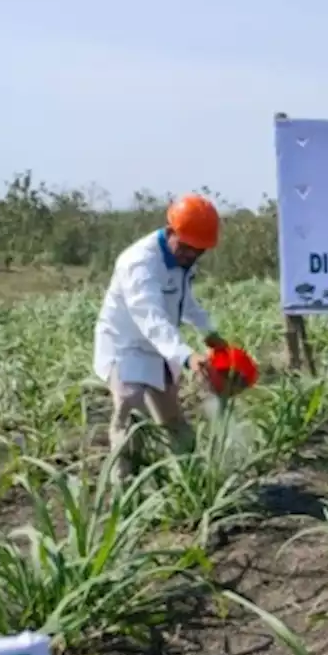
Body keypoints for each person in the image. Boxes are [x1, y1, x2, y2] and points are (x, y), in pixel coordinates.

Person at [93, 193, 225, 477]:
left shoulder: (182, 261)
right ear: (172, 232)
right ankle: (125, 492)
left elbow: (184, 301)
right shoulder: (140, 264)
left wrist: (210, 333)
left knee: (174, 421)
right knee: (130, 415)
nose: (193, 256)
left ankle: (191, 481)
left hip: (161, 348)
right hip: (126, 346)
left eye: (199, 251)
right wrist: (188, 357)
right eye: (189, 248)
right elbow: (150, 320)